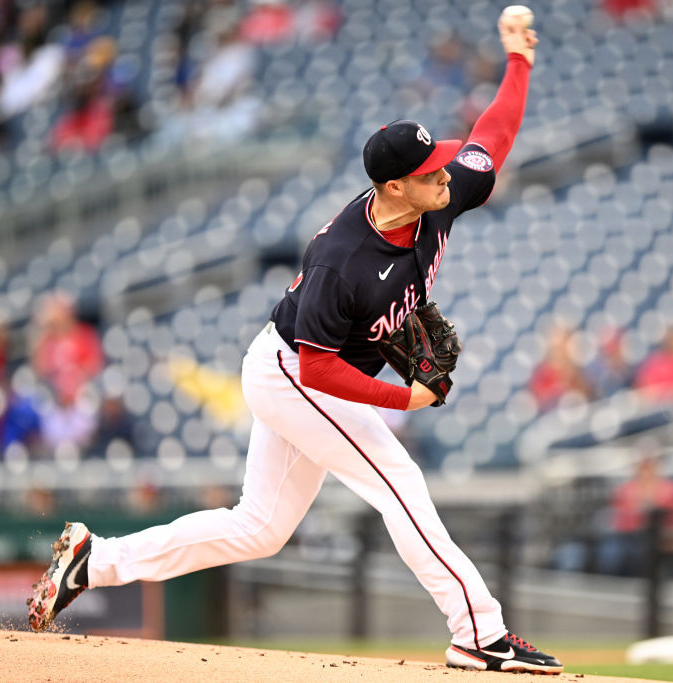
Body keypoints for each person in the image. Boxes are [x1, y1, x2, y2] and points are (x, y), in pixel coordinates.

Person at [28, 10, 562, 675]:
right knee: (399, 480)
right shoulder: (343, 259)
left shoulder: (443, 193)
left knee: (260, 527)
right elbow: (317, 370)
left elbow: (494, 134)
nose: (445, 173)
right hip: (294, 374)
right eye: (430, 170)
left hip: (306, 371)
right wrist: (400, 401)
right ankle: (479, 630)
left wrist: (518, 61)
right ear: (395, 186)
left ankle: (94, 559)